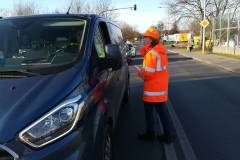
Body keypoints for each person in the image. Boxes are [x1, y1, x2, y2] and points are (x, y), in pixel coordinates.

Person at [137, 27, 171, 143]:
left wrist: (140, 73)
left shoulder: (152, 54)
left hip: (152, 89)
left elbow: (148, 74)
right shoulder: (160, 51)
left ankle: (151, 134)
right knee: (162, 113)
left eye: (145, 37)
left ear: (151, 39)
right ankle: (168, 135)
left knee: (149, 113)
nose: (143, 39)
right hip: (159, 88)